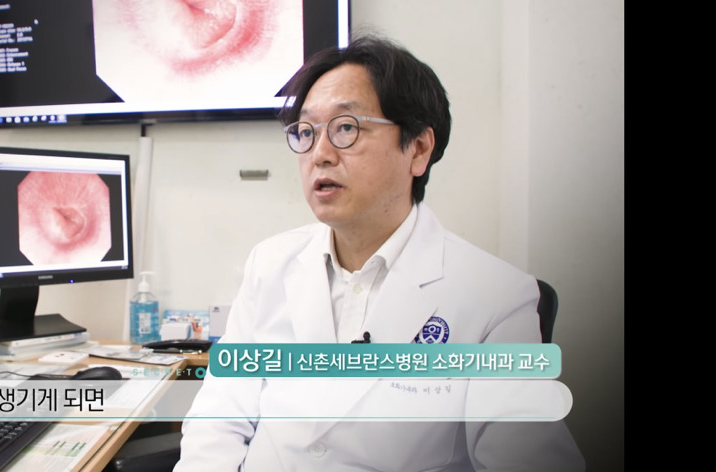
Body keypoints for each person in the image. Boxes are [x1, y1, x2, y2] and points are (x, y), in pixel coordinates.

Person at [172, 35, 585, 471]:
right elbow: (219, 415)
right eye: (306, 132)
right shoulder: (270, 263)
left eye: (346, 128)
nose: (320, 154)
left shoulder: (495, 298)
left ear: (418, 149)